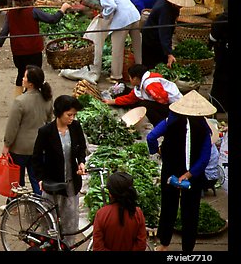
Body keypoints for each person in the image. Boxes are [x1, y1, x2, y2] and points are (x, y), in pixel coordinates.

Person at [146, 90, 215, 252]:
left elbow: (151, 137)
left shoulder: (170, 121)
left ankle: (164, 244)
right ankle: (187, 250)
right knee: (190, 212)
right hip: (193, 177)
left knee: (168, 206)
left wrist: (157, 151)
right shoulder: (204, 128)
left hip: (170, 172)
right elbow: (204, 158)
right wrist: (188, 175)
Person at [0, 0, 71, 97]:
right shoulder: (33, 11)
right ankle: (35, 97)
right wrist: (62, 9)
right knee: (35, 74)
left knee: (21, 73)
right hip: (33, 50)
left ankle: (18, 99)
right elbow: (52, 19)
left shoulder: (10, 13)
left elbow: (4, 32)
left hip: (18, 52)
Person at [32, 94, 87, 246]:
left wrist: (81, 163)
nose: (72, 118)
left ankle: (67, 246)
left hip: (71, 183)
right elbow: (36, 157)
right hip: (52, 183)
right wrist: (41, 178)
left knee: (70, 221)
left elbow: (82, 148)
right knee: (49, 221)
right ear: (59, 113)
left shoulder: (75, 127)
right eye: (69, 115)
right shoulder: (46, 132)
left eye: (74, 115)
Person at [1, 65, 53, 202]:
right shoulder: (47, 99)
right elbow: (49, 121)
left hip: (20, 148)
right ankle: (40, 206)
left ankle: (13, 205)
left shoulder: (20, 102)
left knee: (16, 180)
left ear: (30, 83)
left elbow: (12, 127)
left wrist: (7, 144)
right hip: (39, 147)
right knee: (36, 179)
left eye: (24, 77)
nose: (22, 79)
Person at [93, 0, 142, 83]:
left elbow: (111, 6)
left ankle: (116, 76)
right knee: (137, 46)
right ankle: (140, 72)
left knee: (117, 49)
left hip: (123, 21)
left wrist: (104, 15)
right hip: (134, 16)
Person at [103, 63, 182, 126]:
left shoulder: (149, 83)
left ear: (136, 78)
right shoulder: (141, 83)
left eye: (130, 77)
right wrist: (111, 101)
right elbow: (130, 98)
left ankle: (162, 125)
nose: (130, 80)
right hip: (166, 104)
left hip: (175, 107)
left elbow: (163, 98)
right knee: (140, 102)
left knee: (145, 105)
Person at [141, 0, 195, 69]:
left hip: (154, 35)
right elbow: (164, 32)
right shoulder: (165, 10)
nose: (181, 7)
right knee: (152, 66)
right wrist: (169, 53)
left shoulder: (166, 2)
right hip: (151, 39)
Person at [92, 171, 148, 251]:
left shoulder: (102, 214)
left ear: (110, 194)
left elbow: (98, 248)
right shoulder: (137, 213)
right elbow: (141, 245)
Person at [208, 4, 228, 113]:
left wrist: (209, 46)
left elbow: (212, 38)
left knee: (220, 83)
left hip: (224, 57)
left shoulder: (222, 19)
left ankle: (217, 107)